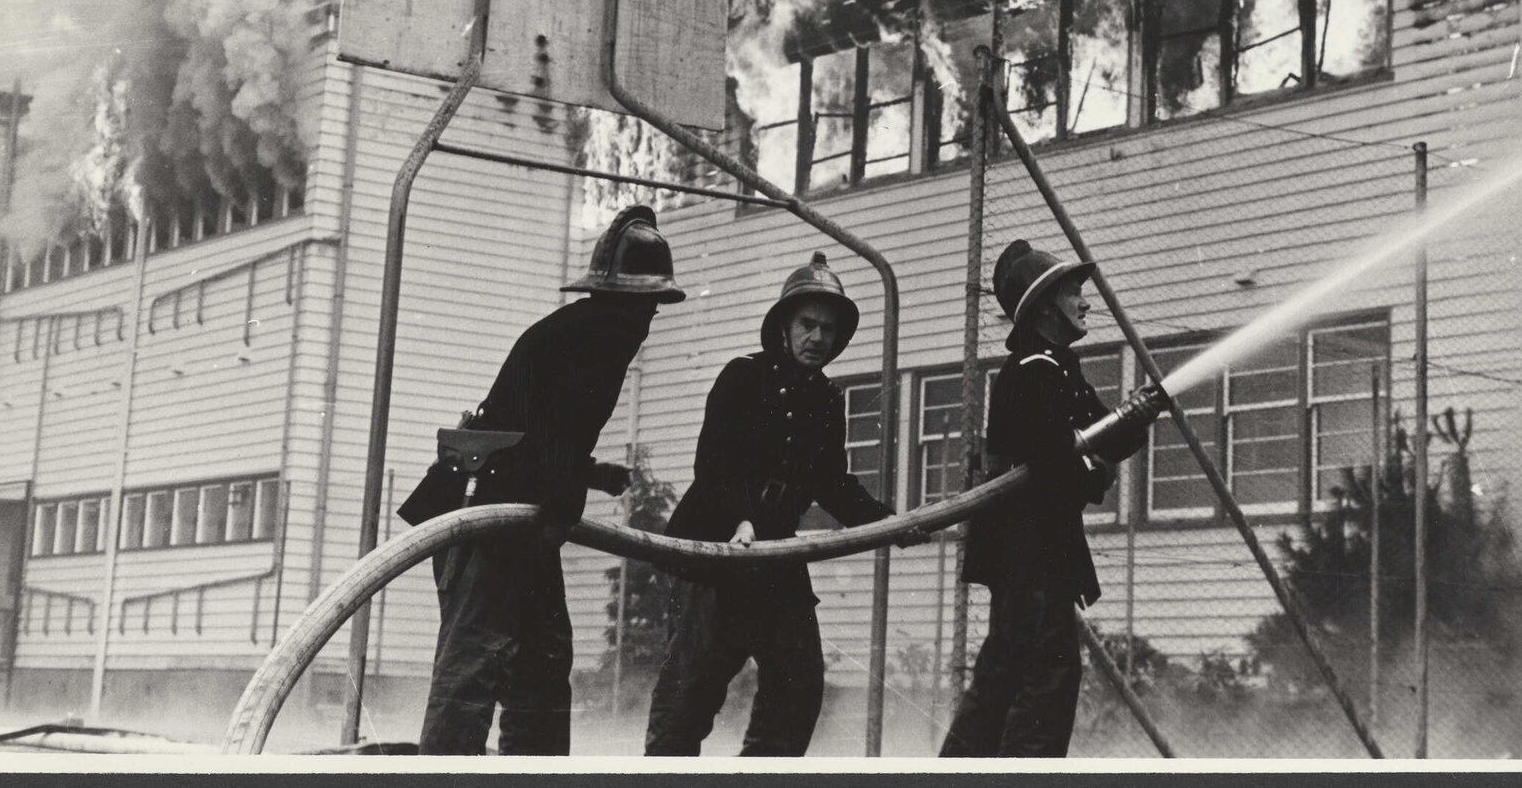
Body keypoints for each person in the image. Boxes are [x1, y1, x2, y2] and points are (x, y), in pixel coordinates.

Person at [413, 205, 686, 756]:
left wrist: (592, 473)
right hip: (487, 510)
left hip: (520, 506)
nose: (645, 320)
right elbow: (543, 440)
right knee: (477, 659)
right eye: (639, 305)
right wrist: (570, 490)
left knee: (543, 659)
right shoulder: (586, 338)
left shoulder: (587, 335)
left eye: (652, 306)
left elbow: (542, 432)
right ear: (611, 299)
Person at [645, 251, 926, 756]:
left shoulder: (825, 398)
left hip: (776, 555)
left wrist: (890, 522)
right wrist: (744, 519)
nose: (818, 338)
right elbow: (712, 467)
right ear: (783, 326)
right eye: (808, 325)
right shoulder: (741, 377)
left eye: (829, 330)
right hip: (717, 551)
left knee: (799, 685)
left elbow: (833, 483)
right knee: (689, 696)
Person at [939, 239, 1163, 758]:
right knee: (1047, 678)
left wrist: (1142, 413)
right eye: (1074, 293)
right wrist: (1093, 473)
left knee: (1003, 679)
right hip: (1030, 553)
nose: (1086, 303)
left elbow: (1108, 437)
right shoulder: (1033, 370)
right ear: (1044, 307)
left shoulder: (1058, 366)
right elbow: (1052, 461)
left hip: (1033, 553)